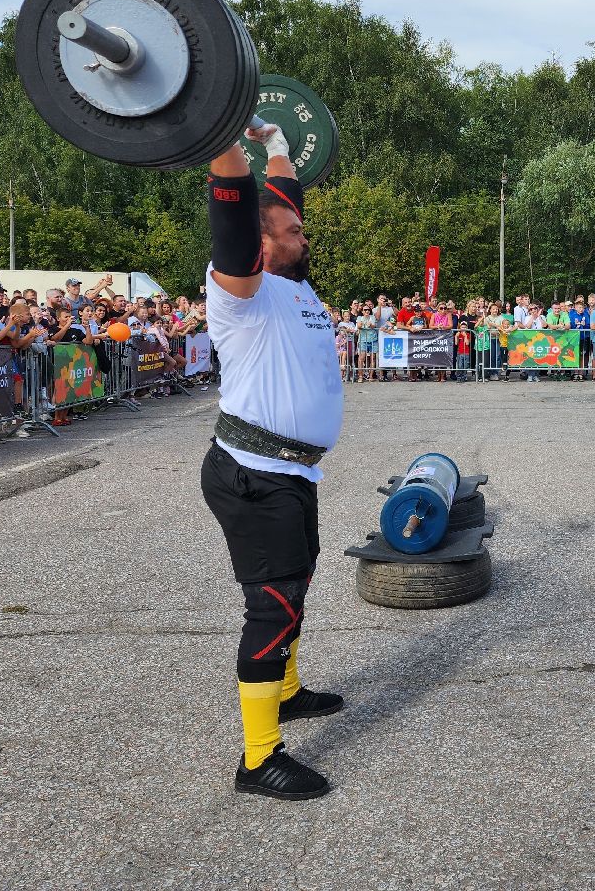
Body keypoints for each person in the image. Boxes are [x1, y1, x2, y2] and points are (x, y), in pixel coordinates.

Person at [199, 121, 345, 802]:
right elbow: (238, 199)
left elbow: (278, 195)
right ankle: (259, 759)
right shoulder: (242, 291)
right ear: (258, 243)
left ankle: (284, 693)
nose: (303, 233)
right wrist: (222, 129)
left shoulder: (290, 283)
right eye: (291, 230)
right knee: (274, 606)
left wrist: (277, 140)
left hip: (292, 472)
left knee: (299, 583)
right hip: (255, 476)